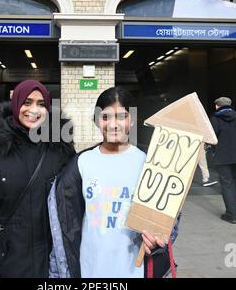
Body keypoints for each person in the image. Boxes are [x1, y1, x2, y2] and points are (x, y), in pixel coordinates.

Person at [48, 87, 180, 278]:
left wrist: (156, 240)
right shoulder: (81, 163)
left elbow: (163, 220)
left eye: (121, 116)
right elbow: (66, 220)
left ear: (132, 119)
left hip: (133, 268)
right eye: (105, 117)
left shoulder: (148, 163)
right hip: (90, 268)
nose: (113, 124)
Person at [0, 79, 75, 278]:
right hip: (5, 260)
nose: (34, 110)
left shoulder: (60, 147)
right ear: (16, 104)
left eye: (41, 104)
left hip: (50, 263)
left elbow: (76, 202)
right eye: (27, 102)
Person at [209, 97, 236, 224]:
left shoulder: (215, 119)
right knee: (232, 184)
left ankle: (231, 215)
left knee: (227, 185)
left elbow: (212, 138)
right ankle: (232, 212)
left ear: (217, 106)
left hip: (223, 157)